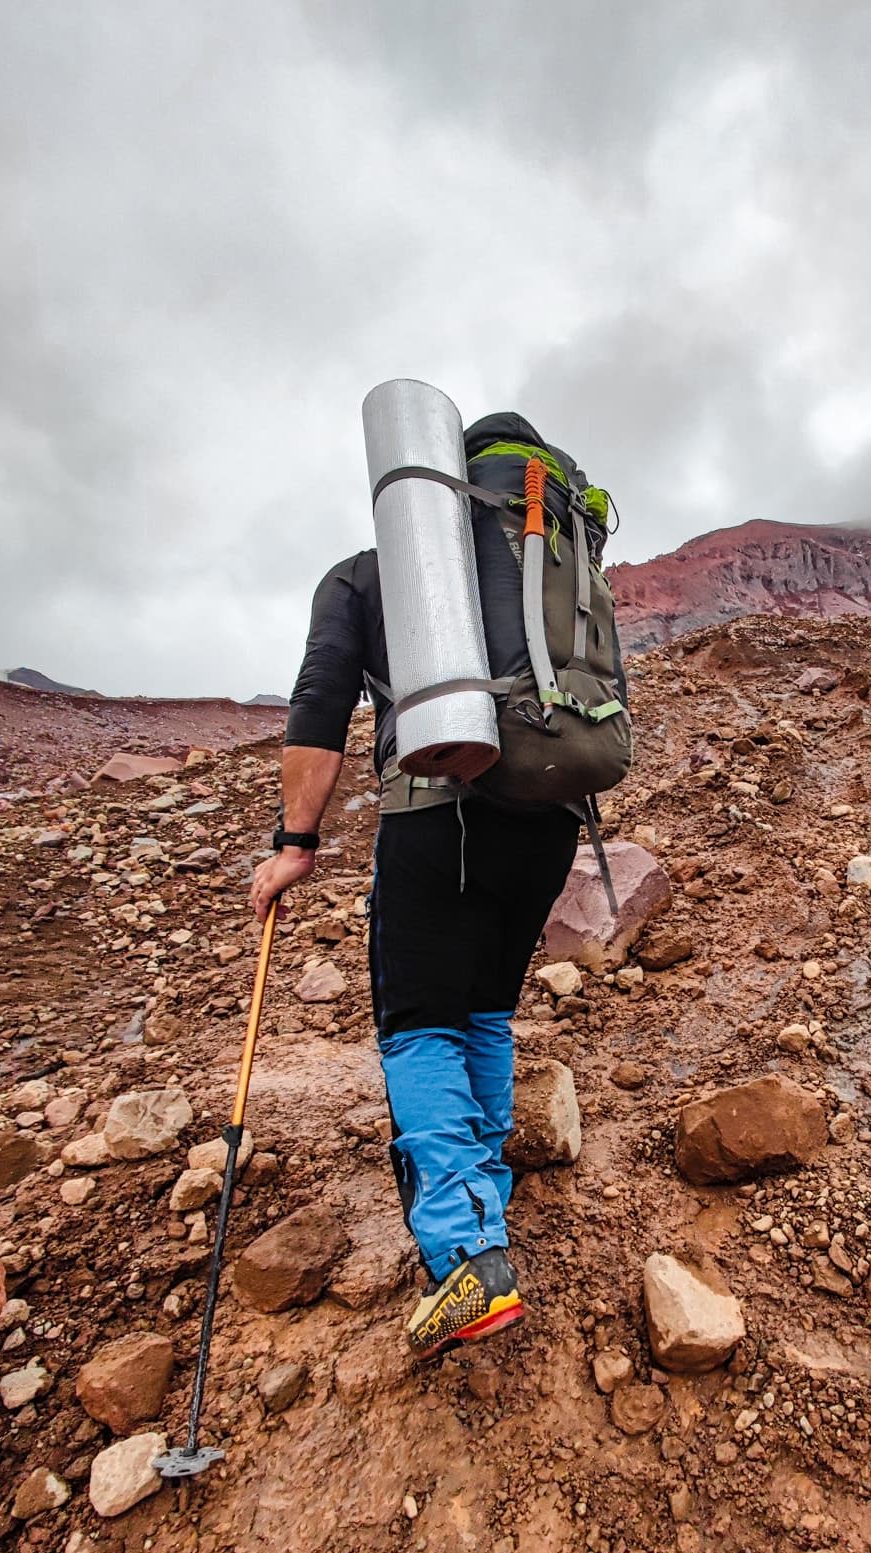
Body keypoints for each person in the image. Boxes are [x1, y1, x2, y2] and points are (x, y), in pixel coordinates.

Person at [249, 415, 589, 1362]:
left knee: (420, 1024)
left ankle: (468, 1256)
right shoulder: (551, 570)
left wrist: (295, 843)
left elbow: (319, 706)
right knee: (482, 1011)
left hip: (437, 813)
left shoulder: (365, 575)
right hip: (552, 819)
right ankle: (483, 1203)